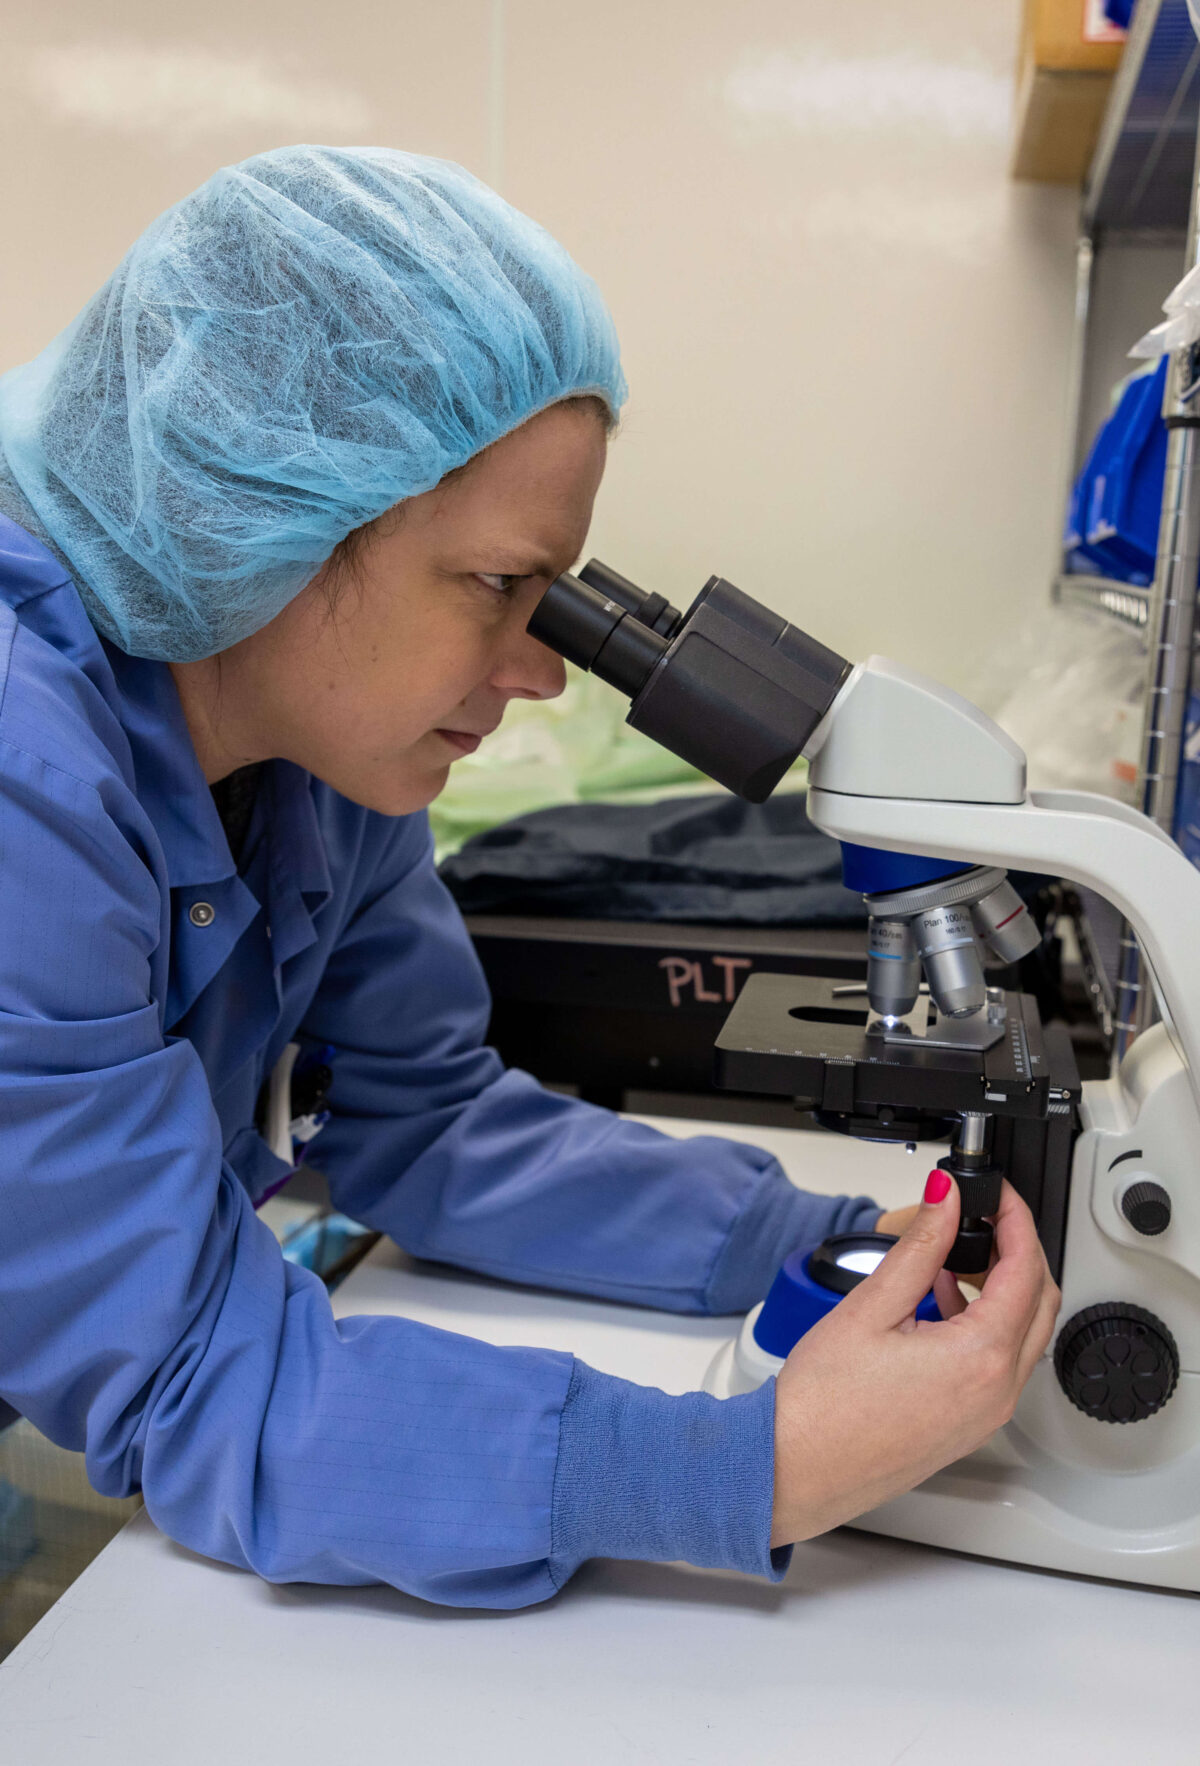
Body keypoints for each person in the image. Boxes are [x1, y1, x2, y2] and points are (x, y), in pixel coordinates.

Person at [0, 145, 1058, 1608]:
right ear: (282, 520)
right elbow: (198, 1379)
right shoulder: (23, 783)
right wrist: (745, 1469)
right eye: (503, 585)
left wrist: (819, 1243)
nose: (547, 671)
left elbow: (429, 1121)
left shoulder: (324, 759)